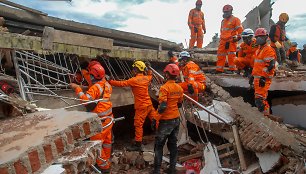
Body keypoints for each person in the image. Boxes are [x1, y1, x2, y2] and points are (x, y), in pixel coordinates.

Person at [70, 63, 113, 173]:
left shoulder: (95, 88)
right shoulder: (107, 84)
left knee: (96, 146)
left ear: (93, 76)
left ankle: (104, 167)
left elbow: (85, 101)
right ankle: (106, 161)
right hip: (109, 119)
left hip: (100, 122)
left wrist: (78, 89)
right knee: (107, 142)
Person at [108, 60, 158, 151]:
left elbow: (121, 84)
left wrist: (110, 81)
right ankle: (161, 135)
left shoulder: (134, 80)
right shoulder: (147, 78)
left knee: (138, 125)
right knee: (155, 119)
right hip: (149, 104)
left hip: (141, 106)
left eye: (133, 69)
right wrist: (148, 69)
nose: (132, 70)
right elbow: (151, 75)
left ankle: (138, 145)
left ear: (135, 70)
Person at [152, 64, 184, 174]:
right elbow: (180, 104)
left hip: (166, 121)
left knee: (159, 146)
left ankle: (156, 171)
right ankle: (172, 169)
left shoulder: (164, 88)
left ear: (167, 74)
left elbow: (163, 106)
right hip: (176, 119)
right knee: (173, 145)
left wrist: (155, 118)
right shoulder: (179, 88)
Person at [252, 28, 276, 116]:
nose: (258, 38)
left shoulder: (268, 50)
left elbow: (271, 65)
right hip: (258, 79)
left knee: (260, 100)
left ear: (266, 37)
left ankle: (265, 117)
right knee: (258, 99)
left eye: (261, 36)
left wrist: (263, 77)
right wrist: (252, 76)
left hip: (264, 79)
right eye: (257, 37)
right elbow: (257, 65)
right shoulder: (258, 50)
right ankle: (263, 116)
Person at [216, 4, 243, 74]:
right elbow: (222, 31)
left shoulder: (235, 19)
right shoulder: (223, 21)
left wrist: (238, 37)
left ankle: (232, 69)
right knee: (220, 55)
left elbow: (240, 30)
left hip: (231, 40)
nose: (225, 13)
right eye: (224, 12)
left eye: (227, 12)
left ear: (231, 11)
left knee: (231, 55)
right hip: (223, 41)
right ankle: (219, 70)